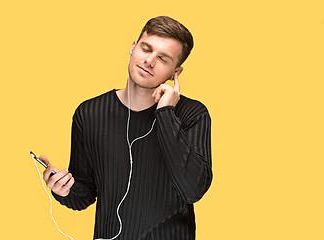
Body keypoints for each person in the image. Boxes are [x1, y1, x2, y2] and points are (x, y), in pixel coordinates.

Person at [40, 16, 212, 240]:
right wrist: (64, 189)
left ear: (175, 73)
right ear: (133, 48)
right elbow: (84, 194)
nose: (149, 61)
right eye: (146, 49)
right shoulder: (90, 113)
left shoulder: (192, 114)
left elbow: (194, 189)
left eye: (163, 58)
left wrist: (166, 114)